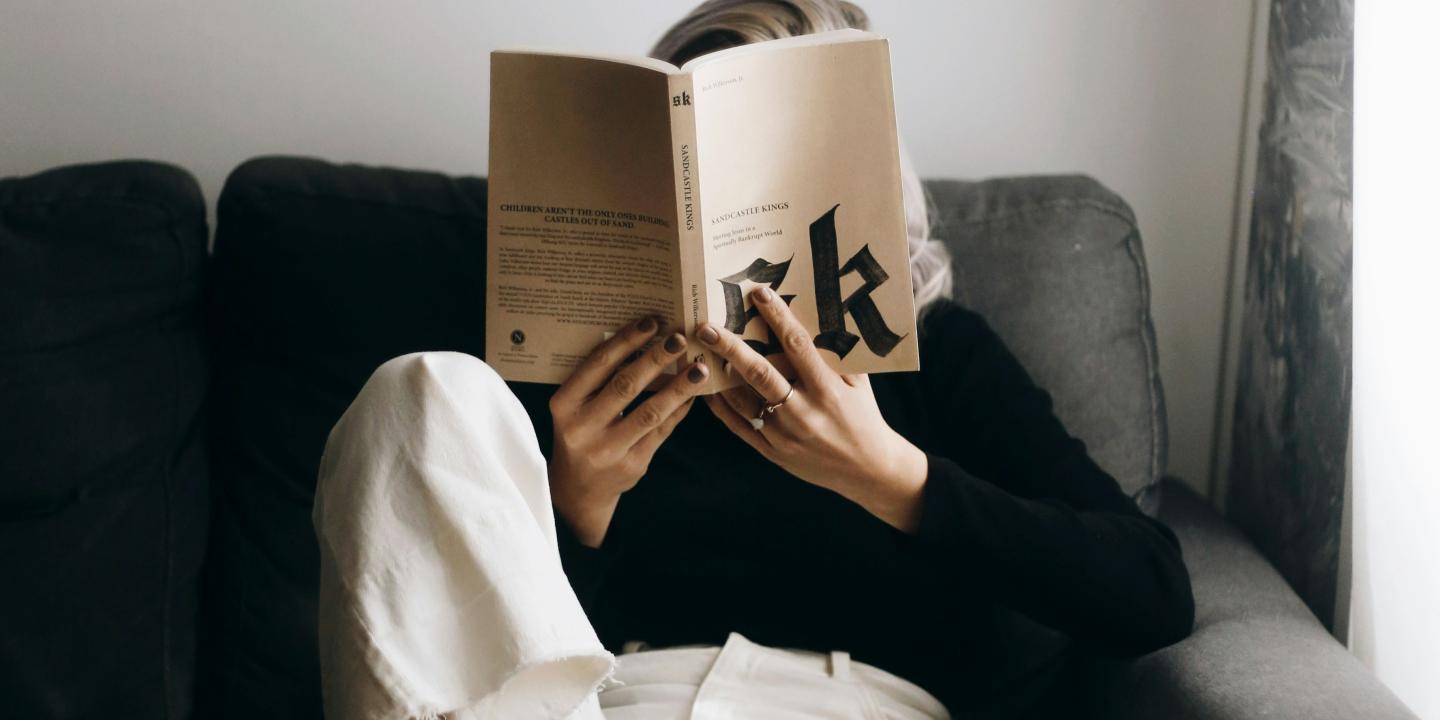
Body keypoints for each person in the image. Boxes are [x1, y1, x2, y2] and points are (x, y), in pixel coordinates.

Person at [312, 2, 1195, 718]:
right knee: (420, 389)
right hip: (611, 701)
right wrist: (578, 502)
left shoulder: (942, 356)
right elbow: (492, 642)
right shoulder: (576, 366)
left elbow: (1150, 594)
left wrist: (894, 477)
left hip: (849, 707)